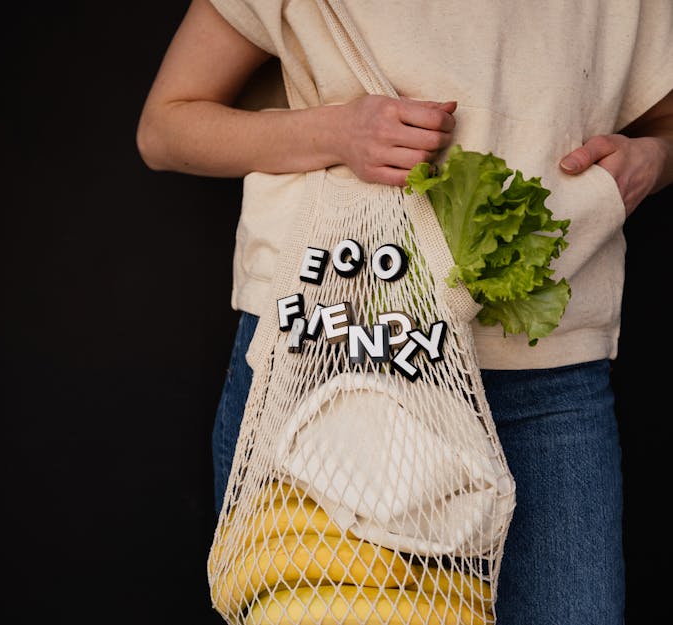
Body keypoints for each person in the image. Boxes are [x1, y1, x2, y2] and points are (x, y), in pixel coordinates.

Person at [136, 1, 673, 624]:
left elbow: (664, 121)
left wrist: (655, 160)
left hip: (545, 373)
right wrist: (335, 132)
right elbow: (164, 127)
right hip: (333, 357)